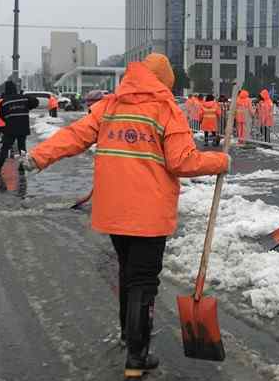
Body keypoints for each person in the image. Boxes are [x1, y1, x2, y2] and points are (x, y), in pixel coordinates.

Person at [24, 53, 229, 379]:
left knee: (128, 274)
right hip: (148, 214)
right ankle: (137, 356)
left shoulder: (110, 106)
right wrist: (220, 161)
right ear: (164, 82)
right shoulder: (166, 110)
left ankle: (127, 334)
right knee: (143, 282)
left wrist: (38, 157)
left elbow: (74, 136)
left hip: (114, 212)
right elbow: (183, 163)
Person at [0, 80, 39, 172]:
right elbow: (35, 102)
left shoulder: (4, 102)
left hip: (10, 127)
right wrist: (27, 108)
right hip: (23, 127)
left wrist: (9, 121)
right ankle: (22, 166)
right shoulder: (24, 98)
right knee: (22, 147)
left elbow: (2, 116)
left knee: (5, 147)